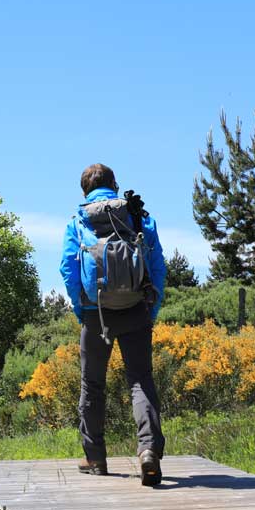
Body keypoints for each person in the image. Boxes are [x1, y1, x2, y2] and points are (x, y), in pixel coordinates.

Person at [59, 163, 167, 486]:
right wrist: (151, 309)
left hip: (96, 313)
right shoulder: (138, 215)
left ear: (85, 192)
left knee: (92, 384)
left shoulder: (78, 221)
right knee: (140, 381)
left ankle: (95, 458)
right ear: (115, 185)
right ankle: (148, 450)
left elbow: (68, 269)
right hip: (136, 308)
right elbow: (158, 265)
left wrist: (82, 310)